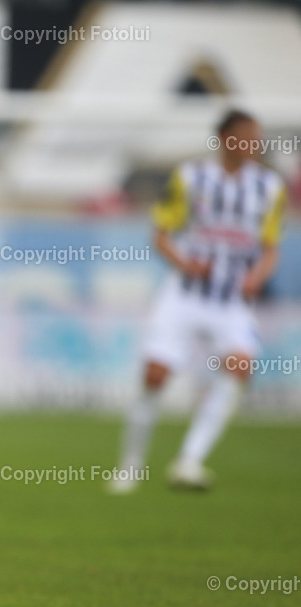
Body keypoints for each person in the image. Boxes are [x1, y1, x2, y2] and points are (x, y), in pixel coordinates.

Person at [111, 110, 285, 493]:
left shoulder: (270, 187)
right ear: (224, 138)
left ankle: (190, 460)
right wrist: (186, 263)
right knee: (155, 375)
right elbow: (160, 235)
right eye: (245, 136)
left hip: (230, 300)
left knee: (240, 365)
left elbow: (270, 248)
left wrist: (256, 277)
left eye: (256, 137)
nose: (253, 144)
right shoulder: (192, 178)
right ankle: (131, 465)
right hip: (185, 295)